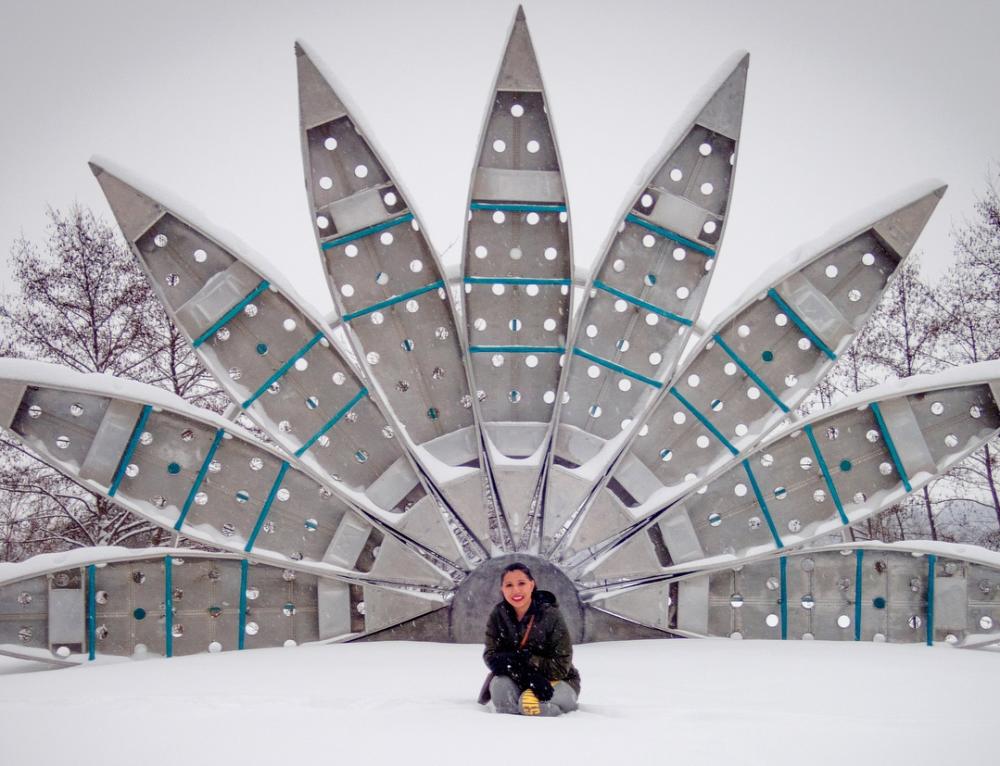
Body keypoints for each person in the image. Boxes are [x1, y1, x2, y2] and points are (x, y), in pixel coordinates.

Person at [480, 562, 581, 716]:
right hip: (518, 679)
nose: (516, 590)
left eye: (521, 583)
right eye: (509, 585)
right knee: (500, 689)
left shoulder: (550, 615)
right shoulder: (498, 614)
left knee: (530, 704)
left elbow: (561, 666)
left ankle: (558, 717)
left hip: (559, 680)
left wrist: (528, 660)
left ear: (532, 584)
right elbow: (491, 657)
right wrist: (526, 673)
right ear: (502, 589)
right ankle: (511, 732)